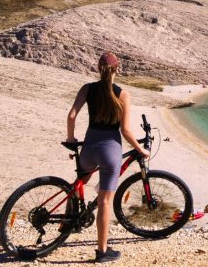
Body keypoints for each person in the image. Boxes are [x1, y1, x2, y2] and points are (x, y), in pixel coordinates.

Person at [66, 52, 150, 263]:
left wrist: (71, 138)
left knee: (79, 183)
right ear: (117, 70)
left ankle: (67, 222)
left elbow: (72, 115)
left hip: (89, 148)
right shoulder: (122, 94)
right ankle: (102, 252)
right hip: (110, 151)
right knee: (105, 201)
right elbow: (126, 131)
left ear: (98, 68)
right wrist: (141, 149)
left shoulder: (87, 89)